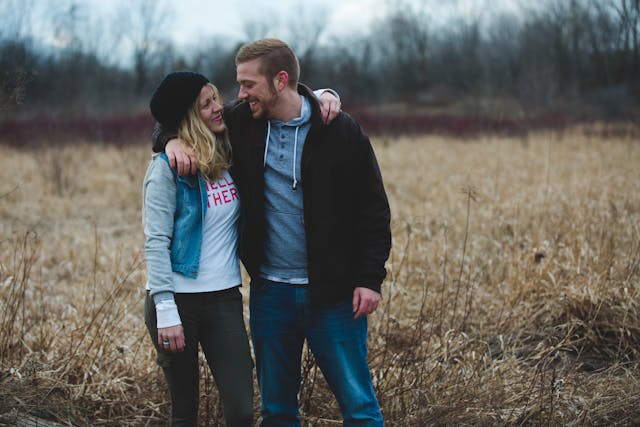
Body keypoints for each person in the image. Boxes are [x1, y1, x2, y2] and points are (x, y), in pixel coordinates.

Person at [154, 38, 391, 427]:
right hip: (271, 295)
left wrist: (370, 279)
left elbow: (374, 210)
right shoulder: (243, 123)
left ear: (281, 81)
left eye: (248, 84)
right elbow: (177, 120)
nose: (240, 93)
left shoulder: (339, 130)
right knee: (277, 413)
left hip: (333, 295)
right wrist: (170, 140)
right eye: (239, 83)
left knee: (360, 409)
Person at [143, 71, 254, 427]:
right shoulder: (165, 170)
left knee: (241, 410)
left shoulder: (228, 152)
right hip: (177, 301)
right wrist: (166, 310)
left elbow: (272, 99)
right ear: (189, 117)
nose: (218, 107)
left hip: (223, 298)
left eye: (215, 98)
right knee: (185, 411)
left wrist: (325, 95)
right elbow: (156, 242)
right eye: (206, 104)